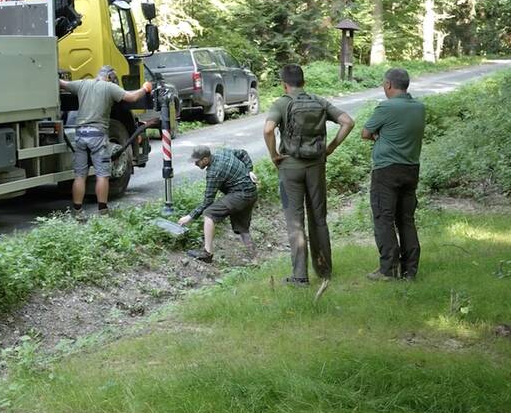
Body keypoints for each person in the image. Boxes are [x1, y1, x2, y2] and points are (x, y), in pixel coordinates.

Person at [263, 64, 355, 286]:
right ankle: (324, 271)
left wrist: (275, 154)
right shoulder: (319, 101)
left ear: (284, 84)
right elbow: (348, 122)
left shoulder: (281, 103)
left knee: (295, 222)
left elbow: (267, 130)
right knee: (319, 219)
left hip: (289, 169)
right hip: (316, 167)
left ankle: (300, 277)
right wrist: (330, 148)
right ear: (303, 82)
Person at [60, 66, 153, 215]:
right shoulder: (109, 87)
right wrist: (144, 88)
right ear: (110, 77)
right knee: (102, 175)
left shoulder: (83, 84)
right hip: (97, 136)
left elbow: (62, 83)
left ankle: (77, 210)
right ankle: (102, 210)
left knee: (79, 176)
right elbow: (132, 97)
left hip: (80, 135)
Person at [361, 67, 426, 281]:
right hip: (411, 169)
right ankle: (410, 270)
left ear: (389, 85)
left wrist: (380, 136)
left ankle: (389, 270)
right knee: (406, 219)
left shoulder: (385, 107)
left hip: (386, 171)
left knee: (384, 218)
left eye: (383, 83)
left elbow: (365, 133)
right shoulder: (419, 107)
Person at [178, 145, 259, 263]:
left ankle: (207, 253)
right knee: (242, 228)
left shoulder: (213, 172)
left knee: (209, 213)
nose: (195, 164)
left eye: (197, 162)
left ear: (205, 160)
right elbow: (243, 153)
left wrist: (190, 217)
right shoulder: (223, 152)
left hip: (240, 195)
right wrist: (249, 170)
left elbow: (208, 201)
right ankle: (255, 260)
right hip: (251, 192)